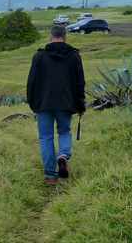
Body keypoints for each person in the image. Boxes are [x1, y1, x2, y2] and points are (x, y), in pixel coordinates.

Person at [26, 25, 85, 185]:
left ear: (50, 36)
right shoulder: (74, 56)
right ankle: (63, 156)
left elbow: (31, 83)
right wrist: (81, 105)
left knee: (46, 137)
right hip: (66, 104)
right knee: (64, 132)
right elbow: (80, 83)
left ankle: (50, 176)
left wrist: (32, 103)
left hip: (43, 104)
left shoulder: (39, 56)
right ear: (65, 37)